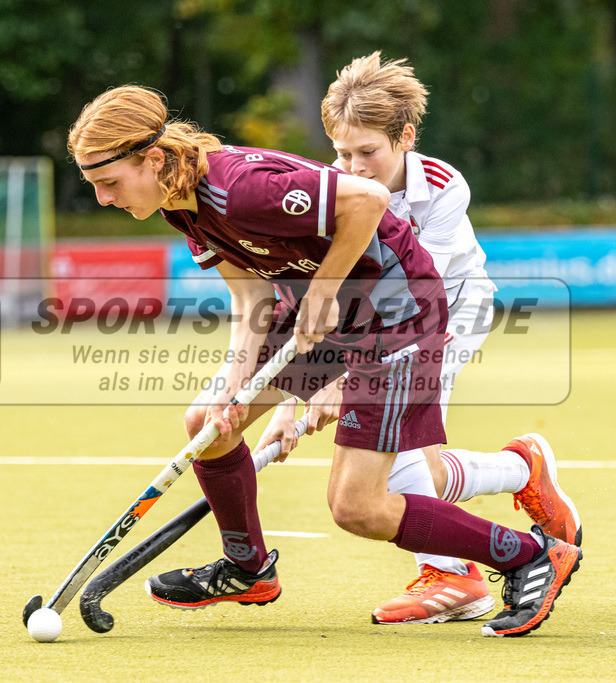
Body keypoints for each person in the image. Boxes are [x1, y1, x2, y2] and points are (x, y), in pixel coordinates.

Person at [67, 84, 582, 637]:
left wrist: (324, 292)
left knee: (357, 507)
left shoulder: (241, 189)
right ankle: (248, 569)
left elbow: (368, 201)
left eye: (109, 184)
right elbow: (252, 299)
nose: (103, 199)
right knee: (209, 423)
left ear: (152, 159)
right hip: (336, 316)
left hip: (397, 317)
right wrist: (238, 393)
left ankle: (528, 555)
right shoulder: (181, 203)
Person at [254, 52, 582, 625]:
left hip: (447, 316)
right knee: (417, 475)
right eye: (342, 153)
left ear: (405, 137)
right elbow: (330, 302)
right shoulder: (331, 191)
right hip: (379, 329)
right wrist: (296, 397)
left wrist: (345, 383)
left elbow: (409, 295)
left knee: (401, 475)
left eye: (368, 153)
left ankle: (455, 574)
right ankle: (518, 474)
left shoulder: (441, 188)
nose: (353, 167)